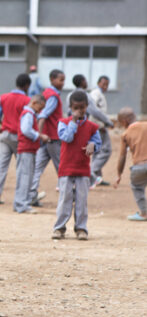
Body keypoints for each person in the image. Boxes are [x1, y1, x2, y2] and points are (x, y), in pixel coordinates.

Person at [52, 91, 101, 240]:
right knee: (65, 199)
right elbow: (66, 137)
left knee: (81, 200)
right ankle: (59, 228)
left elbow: (97, 142)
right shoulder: (63, 122)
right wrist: (73, 122)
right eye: (76, 108)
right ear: (70, 107)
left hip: (83, 169)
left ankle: (81, 228)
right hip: (66, 168)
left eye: (82, 107)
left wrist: (93, 145)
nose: (79, 111)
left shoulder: (92, 127)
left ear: (87, 106)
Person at [0, 73, 31, 205]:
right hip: (19, 137)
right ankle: (21, 198)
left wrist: (3, 126)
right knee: (22, 168)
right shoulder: (27, 100)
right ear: (26, 86)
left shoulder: (3, 97)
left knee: (1, 166)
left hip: (5, 135)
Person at [29, 69, 65, 207]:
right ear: (52, 80)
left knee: (37, 168)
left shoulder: (46, 93)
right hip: (53, 138)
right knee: (62, 168)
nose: (62, 83)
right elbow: (43, 115)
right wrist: (38, 133)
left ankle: (32, 195)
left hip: (46, 138)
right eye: (60, 80)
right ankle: (67, 196)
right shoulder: (53, 96)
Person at [14, 94, 48, 213]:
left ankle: (19, 203)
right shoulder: (28, 114)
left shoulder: (29, 114)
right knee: (25, 177)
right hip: (26, 149)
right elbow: (26, 130)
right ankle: (22, 204)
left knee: (24, 176)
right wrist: (39, 135)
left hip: (27, 150)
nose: (41, 110)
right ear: (34, 103)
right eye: (40, 107)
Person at [114, 107, 147, 221]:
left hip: (139, 166)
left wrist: (119, 174)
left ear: (124, 122)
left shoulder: (126, 134)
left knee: (137, 187)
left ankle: (144, 212)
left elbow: (122, 156)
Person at [89, 75, 113, 186]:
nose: (105, 86)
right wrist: (102, 123)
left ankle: (97, 177)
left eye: (107, 84)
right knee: (106, 150)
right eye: (103, 84)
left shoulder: (100, 94)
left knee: (97, 151)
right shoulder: (95, 94)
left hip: (98, 126)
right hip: (98, 126)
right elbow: (93, 110)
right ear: (98, 83)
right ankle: (92, 172)